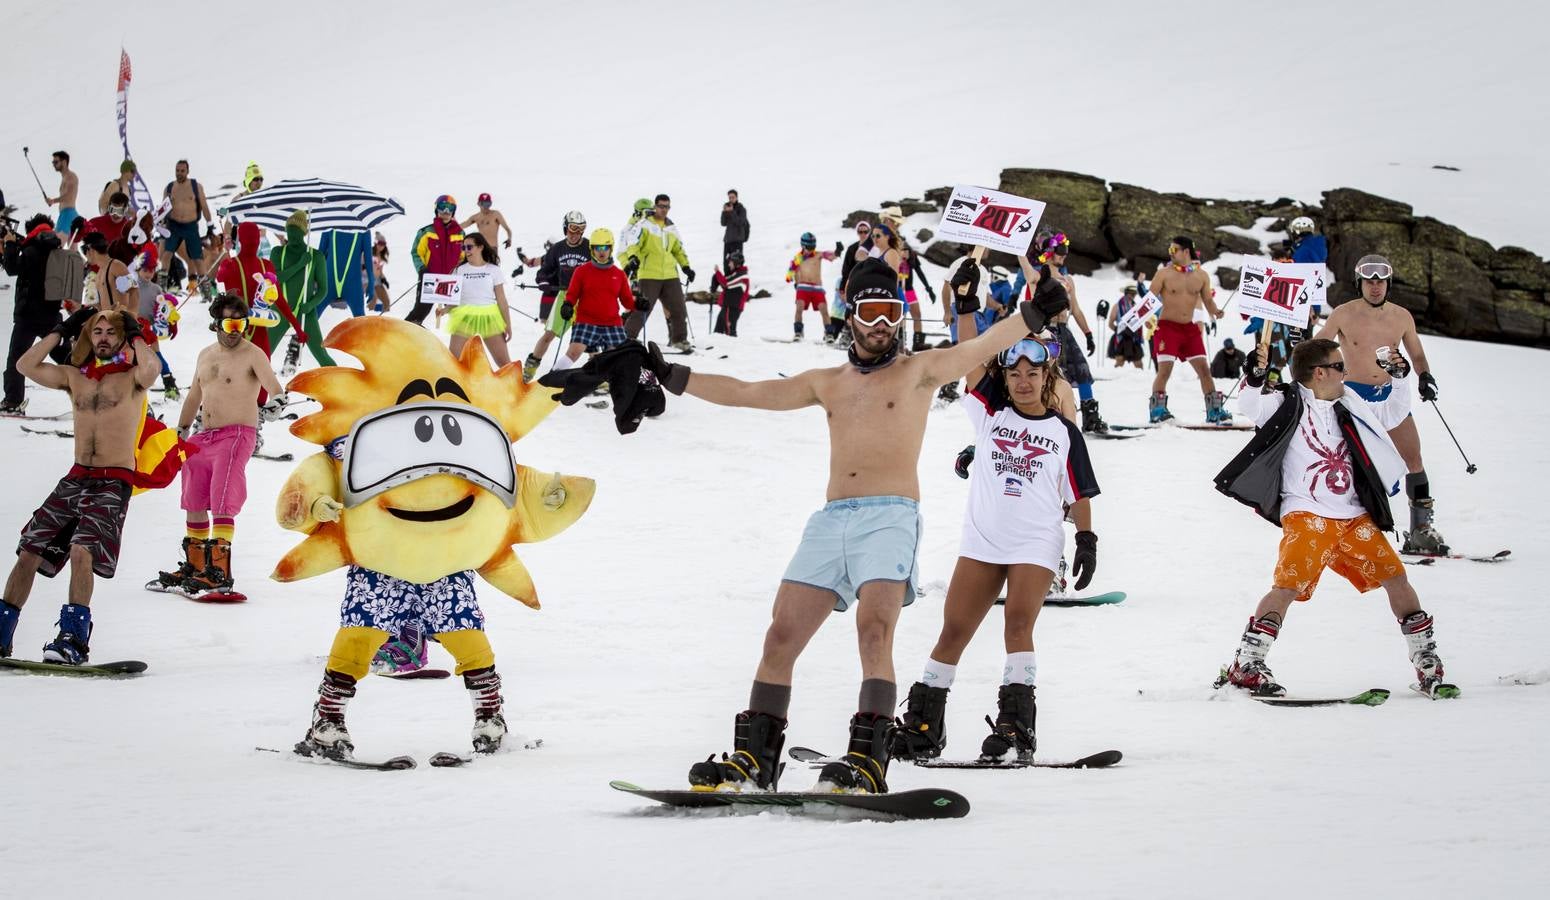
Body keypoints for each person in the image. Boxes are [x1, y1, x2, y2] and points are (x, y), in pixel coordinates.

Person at [629, 257, 1070, 795]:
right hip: (831, 520)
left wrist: (1031, 313)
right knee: (781, 634)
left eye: (892, 311)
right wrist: (675, 376)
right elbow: (747, 392)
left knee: (874, 629)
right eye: (871, 310)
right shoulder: (827, 382)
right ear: (851, 315)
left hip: (890, 518)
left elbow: (975, 350)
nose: (882, 323)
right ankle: (754, 760)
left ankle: (867, 759)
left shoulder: (918, 371)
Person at [893, 318, 1099, 764]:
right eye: (1014, 373)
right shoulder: (989, 414)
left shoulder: (1065, 433)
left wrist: (1086, 538)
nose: (1023, 381)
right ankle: (924, 726)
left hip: (1035, 543)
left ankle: (1016, 727)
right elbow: (969, 353)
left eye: (1033, 373)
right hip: (983, 542)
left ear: (1047, 377)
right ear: (1004, 377)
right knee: (953, 631)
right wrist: (965, 306)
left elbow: (1078, 492)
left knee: (1017, 625)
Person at [1214, 338, 1457, 699]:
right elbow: (1250, 404)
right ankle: (1247, 662)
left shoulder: (1349, 402)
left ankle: (1426, 660)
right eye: (1340, 366)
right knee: (1288, 587)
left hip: (1354, 515)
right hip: (1307, 513)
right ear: (1320, 373)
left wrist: (1401, 378)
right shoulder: (1286, 400)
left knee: (1396, 577)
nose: (1347, 372)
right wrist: (1254, 376)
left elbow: (1392, 413)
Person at [0, 308, 161, 663]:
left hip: (113, 480)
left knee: (80, 549)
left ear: (121, 339)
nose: (102, 337)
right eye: (97, 331)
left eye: (110, 332)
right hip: (75, 477)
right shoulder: (76, 377)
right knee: (29, 550)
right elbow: (25, 366)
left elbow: (153, 370)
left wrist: (136, 335)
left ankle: (72, 639)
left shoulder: (132, 377)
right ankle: (2, 632)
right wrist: (61, 330)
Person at [149, 295, 285, 598]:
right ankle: (196, 565)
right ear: (216, 323)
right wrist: (182, 431)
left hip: (237, 435)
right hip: (204, 436)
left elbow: (274, 388)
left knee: (223, 495)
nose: (236, 329)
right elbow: (193, 397)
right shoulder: (205, 355)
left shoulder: (253, 354)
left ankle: (220, 572)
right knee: (194, 496)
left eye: (240, 323)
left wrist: (276, 402)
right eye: (229, 323)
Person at [1314, 254, 1446, 554]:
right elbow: (1321, 345)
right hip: (1354, 398)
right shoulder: (1344, 314)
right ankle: (1342, 528)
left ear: (1388, 284)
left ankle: (1421, 530)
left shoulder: (1401, 317)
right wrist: (1304, 346)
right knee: (1349, 464)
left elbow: (1418, 355)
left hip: (1390, 394)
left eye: (1381, 282)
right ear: (1359, 283)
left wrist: (1425, 376)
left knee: (1413, 459)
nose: (1376, 287)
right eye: (1370, 282)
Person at [1020, 234, 1107, 433]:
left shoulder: (1067, 280)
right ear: (1050, 252)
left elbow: (1075, 309)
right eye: (1061, 251)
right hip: (1046, 330)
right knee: (1053, 373)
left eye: (1066, 251)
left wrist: (1088, 333)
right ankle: (1051, 412)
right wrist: (1020, 251)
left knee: (1081, 369)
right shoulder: (1039, 275)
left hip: (1064, 330)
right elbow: (1026, 272)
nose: (1064, 255)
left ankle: (1090, 414)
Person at [1148, 236, 1227, 423]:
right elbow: (1149, 299)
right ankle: (1157, 410)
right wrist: (1146, 318)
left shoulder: (1201, 276)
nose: (1171, 253)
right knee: (1165, 370)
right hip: (1167, 327)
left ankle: (1214, 410)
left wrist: (1215, 311)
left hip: (1189, 329)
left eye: (1174, 249)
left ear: (1186, 251)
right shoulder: (1164, 274)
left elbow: (1207, 300)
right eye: (1170, 250)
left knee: (1204, 370)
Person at [2, 215, 71, 415]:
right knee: (66, 357)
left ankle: (13, 402)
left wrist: (9, 245)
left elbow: (11, 267)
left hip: (28, 316)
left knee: (16, 359)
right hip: (51, 315)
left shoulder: (30, 250)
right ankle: (92, 386)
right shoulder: (57, 250)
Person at [522, 211, 591, 382]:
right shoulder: (557, 249)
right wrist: (543, 281)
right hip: (565, 297)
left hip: (586, 298)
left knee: (589, 337)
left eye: (580, 230)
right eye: (572, 229)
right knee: (549, 335)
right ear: (565, 228)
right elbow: (544, 271)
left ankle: (598, 376)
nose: (575, 234)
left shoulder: (589, 247)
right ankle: (529, 369)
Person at [621, 194, 695, 351]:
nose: (664, 210)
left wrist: (686, 267)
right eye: (661, 206)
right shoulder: (645, 224)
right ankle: (627, 338)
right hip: (649, 274)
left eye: (667, 207)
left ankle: (679, 340)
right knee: (643, 308)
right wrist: (633, 258)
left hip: (670, 275)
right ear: (655, 206)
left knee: (679, 308)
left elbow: (678, 249)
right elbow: (633, 243)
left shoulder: (671, 226)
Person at [269, 211, 335, 373]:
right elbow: (275, 279)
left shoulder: (316, 256)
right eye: (289, 233)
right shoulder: (278, 252)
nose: (292, 237)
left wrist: (311, 304)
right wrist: (299, 265)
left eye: (296, 234)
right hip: (280, 310)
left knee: (321, 353)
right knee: (262, 353)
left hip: (305, 312)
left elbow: (323, 289)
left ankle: (342, 386)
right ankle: (244, 391)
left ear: (304, 233)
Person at [563, 228, 634, 363]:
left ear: (611, 248)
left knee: (618, 357)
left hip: (612, 324)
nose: (602, 251)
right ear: (592, 249)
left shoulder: (619, 274)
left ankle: (607, 382)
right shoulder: (582, 271)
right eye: (598, 247)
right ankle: (551, 379)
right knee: (573, 352)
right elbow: (572, 294)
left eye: (605, 247)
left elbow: (627, 301)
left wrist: (638, 303)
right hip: (586, 321)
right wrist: (567, 305)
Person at [446, 232, 512, 367]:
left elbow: (502, 300)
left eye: (469, 247)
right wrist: (444, 310)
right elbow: (453, 300)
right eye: (463, 248)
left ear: (480, 247)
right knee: (453, 363)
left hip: (489, 317)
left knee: (505, 365)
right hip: (464, 318)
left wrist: (507, 324)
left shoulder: (493, 270)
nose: (466, 251)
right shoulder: (459, 270)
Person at [131, 245, 182, 400]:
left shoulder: (156, 289)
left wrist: (170, 322)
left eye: (152, 270)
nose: (148, 274)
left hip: (148, 326)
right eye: (145, 270)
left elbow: (163, 309)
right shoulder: (132, 286)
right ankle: (132, 384)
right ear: (139, 269)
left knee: (156, 354)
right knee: (132, 356)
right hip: (132, 326)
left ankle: (169, 382)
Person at [406, 195, 465, 326]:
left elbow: (463, 256)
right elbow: (416, 253)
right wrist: (422, 269)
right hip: (430, 279)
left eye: (450, 208)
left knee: (458, 313)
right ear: (436, 210)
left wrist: (462, 270)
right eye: (442, 207)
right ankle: (406, 333)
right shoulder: (426, 232)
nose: (446, 212)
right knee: (420, 311)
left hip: (451, 281)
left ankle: (461, 342)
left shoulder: (460, 233)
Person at [160, 161, 213, 288]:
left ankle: (205, 290)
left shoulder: (196, 186)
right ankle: (161, 286)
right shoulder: (169, 188)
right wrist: (161, 224)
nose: (179, 173)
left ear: (187, 171)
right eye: (177, 170)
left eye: (182, 171)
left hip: (191, 226)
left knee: (197, 259)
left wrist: (210, 224)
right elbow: (163, 209)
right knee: (166, 255)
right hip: (174, 226)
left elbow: (204, 206)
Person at [784, 232, 840, 341]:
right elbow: (791, 271)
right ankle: (798, 332)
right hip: (803, 287)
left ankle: (829, 333)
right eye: (809, 247)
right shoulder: (798, 258)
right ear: (803, 245)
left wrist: (837, 252)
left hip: (817, 288)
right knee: (799, 307)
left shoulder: (818, 254)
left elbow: (829, 255)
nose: (811, 249)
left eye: (813, 246)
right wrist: (792, 278)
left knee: (823, 309)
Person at [82, 232, 138, 314]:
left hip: (120, 322)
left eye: (84, 250)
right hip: (107, 322)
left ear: (90, 249)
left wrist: (132, 318)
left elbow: (134, 291)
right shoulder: (99, 274)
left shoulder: (117, 266)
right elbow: (103, 305)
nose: (85, 255)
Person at [711, 250, 750, 337]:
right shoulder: (736, 274)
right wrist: (715, 279)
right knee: (718, 330)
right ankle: (715, 347)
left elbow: (727, 283)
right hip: (727, 306)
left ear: (737, 263)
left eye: (731, 262)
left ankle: (732, 349)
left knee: (729, 332)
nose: (729, 264)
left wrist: (717, 272)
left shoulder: (742, 276)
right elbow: (726, 285)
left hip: (733, 308)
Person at [1107, 284, 1146, 369]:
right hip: (1121, 338)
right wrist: (1118, 330)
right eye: (1131, 293)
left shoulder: (1136, 307)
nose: (1133, 296)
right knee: (1119, 361)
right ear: (1126, 293)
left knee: (1138, 363)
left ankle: (1141, 380)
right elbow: (1110, 323)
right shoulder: (1117, 306)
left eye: (1134, 294)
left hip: (1134, 337)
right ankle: (1116, 379)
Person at [46, 151, 80, 240]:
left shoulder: (71, 176)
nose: (53, 164)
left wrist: (53, 201)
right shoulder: (65, 177)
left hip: (67, 215)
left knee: (56, 247)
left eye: (56, 162)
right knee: (73, 251)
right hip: (68, 215)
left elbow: (69, 196)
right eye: (53, 162)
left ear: (64, 162)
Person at [720, 189, 750, 264]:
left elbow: (740, 222)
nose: (731, 199)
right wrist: (724, 212)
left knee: (737, 264)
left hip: (737, 241)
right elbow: (723, 223)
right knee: (726, 264)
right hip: (728, 241)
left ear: (736, 197)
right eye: (729, 197)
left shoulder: (742, 209)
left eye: (732, 197)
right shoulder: (728, 207)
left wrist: (732, 211)